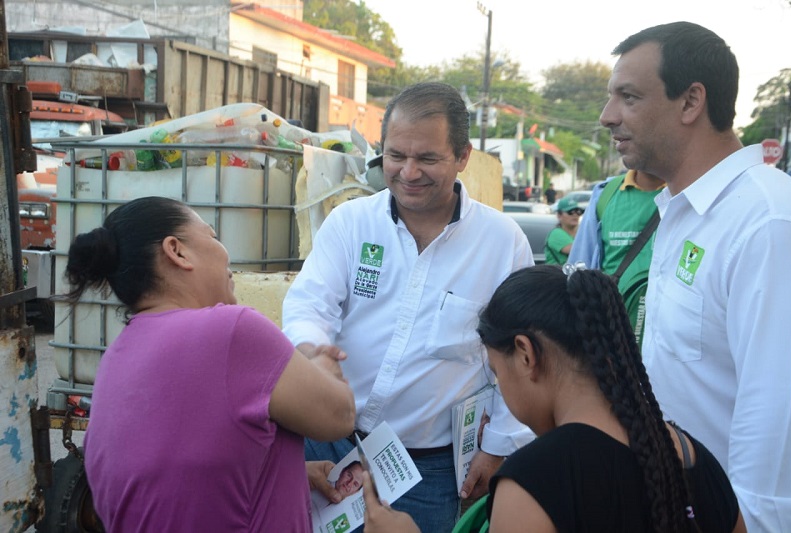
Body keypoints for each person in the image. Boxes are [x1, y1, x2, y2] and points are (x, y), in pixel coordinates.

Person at [282, 81, 535, 532]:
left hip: (427, 471)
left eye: (428, 159)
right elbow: (309, 304)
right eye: (396, 155)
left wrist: (497, 446)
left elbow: (521, 356)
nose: (408, 172)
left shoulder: (501, 243)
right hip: (325, 447)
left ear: (462, 157)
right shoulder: (351, 222)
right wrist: (313, 351)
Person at [362, 265, 745, 533]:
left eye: (497, 374)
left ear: (526, 354)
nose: (502, 388)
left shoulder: (534, 480)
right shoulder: (692, 456)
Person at [600, 21, 791, 529]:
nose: (608, 117)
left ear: (691, 102)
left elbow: (776, 418)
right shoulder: (683, 211)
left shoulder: (767, 221)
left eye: (628, 97)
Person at [64, 196, 355, 532]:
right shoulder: (231, 330)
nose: (225, 253)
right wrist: (322, 364)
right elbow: (339, 416)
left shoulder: (118, 354)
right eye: (213, 236)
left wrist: (290, 474)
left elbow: (171, 470)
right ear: (177, 251)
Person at [568, 169, 664, 347]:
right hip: (612, 339)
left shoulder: (691, 192)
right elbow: (578, 274)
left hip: (666, 345)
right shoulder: (606, 193)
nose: (616, 139)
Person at [544, 196, 582, 265]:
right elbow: (577, 251)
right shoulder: (556, 234)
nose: (575, 215)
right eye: (571, 212)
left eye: (578, 211)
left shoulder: (581, 233)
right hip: (557, 274)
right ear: (559, 215)